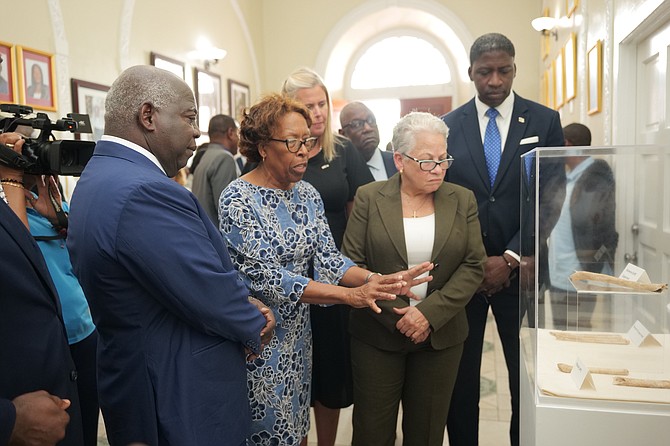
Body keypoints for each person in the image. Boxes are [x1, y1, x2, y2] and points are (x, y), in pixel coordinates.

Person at [66, 65, 275, 446]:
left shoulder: (99, 175)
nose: (197, 130)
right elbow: (206, 289)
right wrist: (253, 317)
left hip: (136, 374)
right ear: (148, 116)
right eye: (189, 116)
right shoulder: (145, 191)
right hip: (176, 390)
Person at [219, 93, 433, 446]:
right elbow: (270, 278)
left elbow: (330, 260)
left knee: (298, 428)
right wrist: (351, 296)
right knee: (266, 433)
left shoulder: (307, 195)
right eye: (292, 142)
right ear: (261, 146)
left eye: (308, 140)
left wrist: (374, 280)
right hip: (259, 337)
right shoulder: (238, 198)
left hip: (300, 337)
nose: (304, 150)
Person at [442, 33, 565, 446]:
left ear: (514, 67)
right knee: (460, 381)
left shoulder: (544, 120)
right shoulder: (448, 126)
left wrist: (511, 256)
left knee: (525, 376)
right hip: (464, 276)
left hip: (523, 273)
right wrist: (477, 261)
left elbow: (551, 197)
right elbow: (442, 200)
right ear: (470, 72)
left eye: (504, 70)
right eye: (484, 72)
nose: (495, 80)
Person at [341, 112, 486, 446]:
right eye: (426, 161)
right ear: (399, 160)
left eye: (443, 159)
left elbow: (473, 265)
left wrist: (427, 315)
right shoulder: (368, 197)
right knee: (372, 432)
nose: (438, 169)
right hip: (376, 334)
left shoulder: (461, 199)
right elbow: (350, 264)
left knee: (427, 433)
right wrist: (401, 313)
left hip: (441, 337)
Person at [281, 67, 374, 445]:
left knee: (330, 371)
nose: (318, 112)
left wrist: (358, 270)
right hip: (289, 282)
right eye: (308, 106)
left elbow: (363, 210)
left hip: (335, 276)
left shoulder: (343, 151)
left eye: (322, 104)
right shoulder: (279, 154)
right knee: (295, 370)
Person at [0, 132, 84, 446]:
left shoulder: (46, 198)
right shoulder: (11, 199)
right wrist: (12, 182)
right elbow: (23, 258)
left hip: (75, 330)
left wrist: (60, 217)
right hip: (25, 384)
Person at [23, 174, 100, 446]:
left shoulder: (56, 206)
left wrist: (60, 218)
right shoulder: (10, 217)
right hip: (45, 343)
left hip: (84, 333)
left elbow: (85, 256)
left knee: (86, 419)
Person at [548, 123, 618, 330]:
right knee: (560, 333)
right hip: (558, 273)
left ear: (566, 144)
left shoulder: (595, 178)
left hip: (580, 274)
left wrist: (593, 269)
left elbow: (599, 228)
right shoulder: (568, 178)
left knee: (577, 332)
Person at [191, 114, 240, 224]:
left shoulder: (207, 156)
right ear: (230, 133)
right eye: (237, 134)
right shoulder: (224, 158)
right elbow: (226, 210)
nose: (239, 140)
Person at [339, 101, 397, 181]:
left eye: (371, 120)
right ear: (343, 134)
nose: (368, 128)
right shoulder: (338, 172)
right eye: (357, 124)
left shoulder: (398, 163)